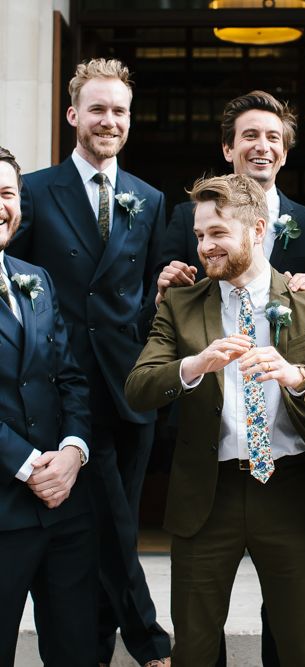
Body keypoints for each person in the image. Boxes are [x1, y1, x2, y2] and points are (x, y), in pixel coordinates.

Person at [125, 173, 305, 667]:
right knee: (193, 647)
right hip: (204, 494)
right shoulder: (182, 302)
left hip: (287, 490)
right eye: (199, 235)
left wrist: (296, 375)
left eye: (217, 233)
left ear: (257, 229)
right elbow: (139, 388)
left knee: (301, 646)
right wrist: (195, 366)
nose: (205, 246)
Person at [9, 59, 171, 666]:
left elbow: (151, 306)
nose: (109, 121)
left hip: (129, 390)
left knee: (108, 525)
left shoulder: (148, 199)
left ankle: (96, 650)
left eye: (119, 111)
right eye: (97, 109)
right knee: (110, 522)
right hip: (62, 392)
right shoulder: (35, 190)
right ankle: (150, 642)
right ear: (73, 114)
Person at [0, 146, 96, 665]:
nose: (0, 205)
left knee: (76, 651)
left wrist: (74, 451)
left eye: (7, 193)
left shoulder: (35, 280)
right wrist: (27, 464)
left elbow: (71, 377)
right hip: (2, 506)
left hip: (64, 508)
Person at [158, 89, 305, 296]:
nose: (262, 147)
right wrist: (163, 293)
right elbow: (156, 304)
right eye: (250, 136)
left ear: (284, 154)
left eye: (273, 138)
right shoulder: (187, 218)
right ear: (227, 149)